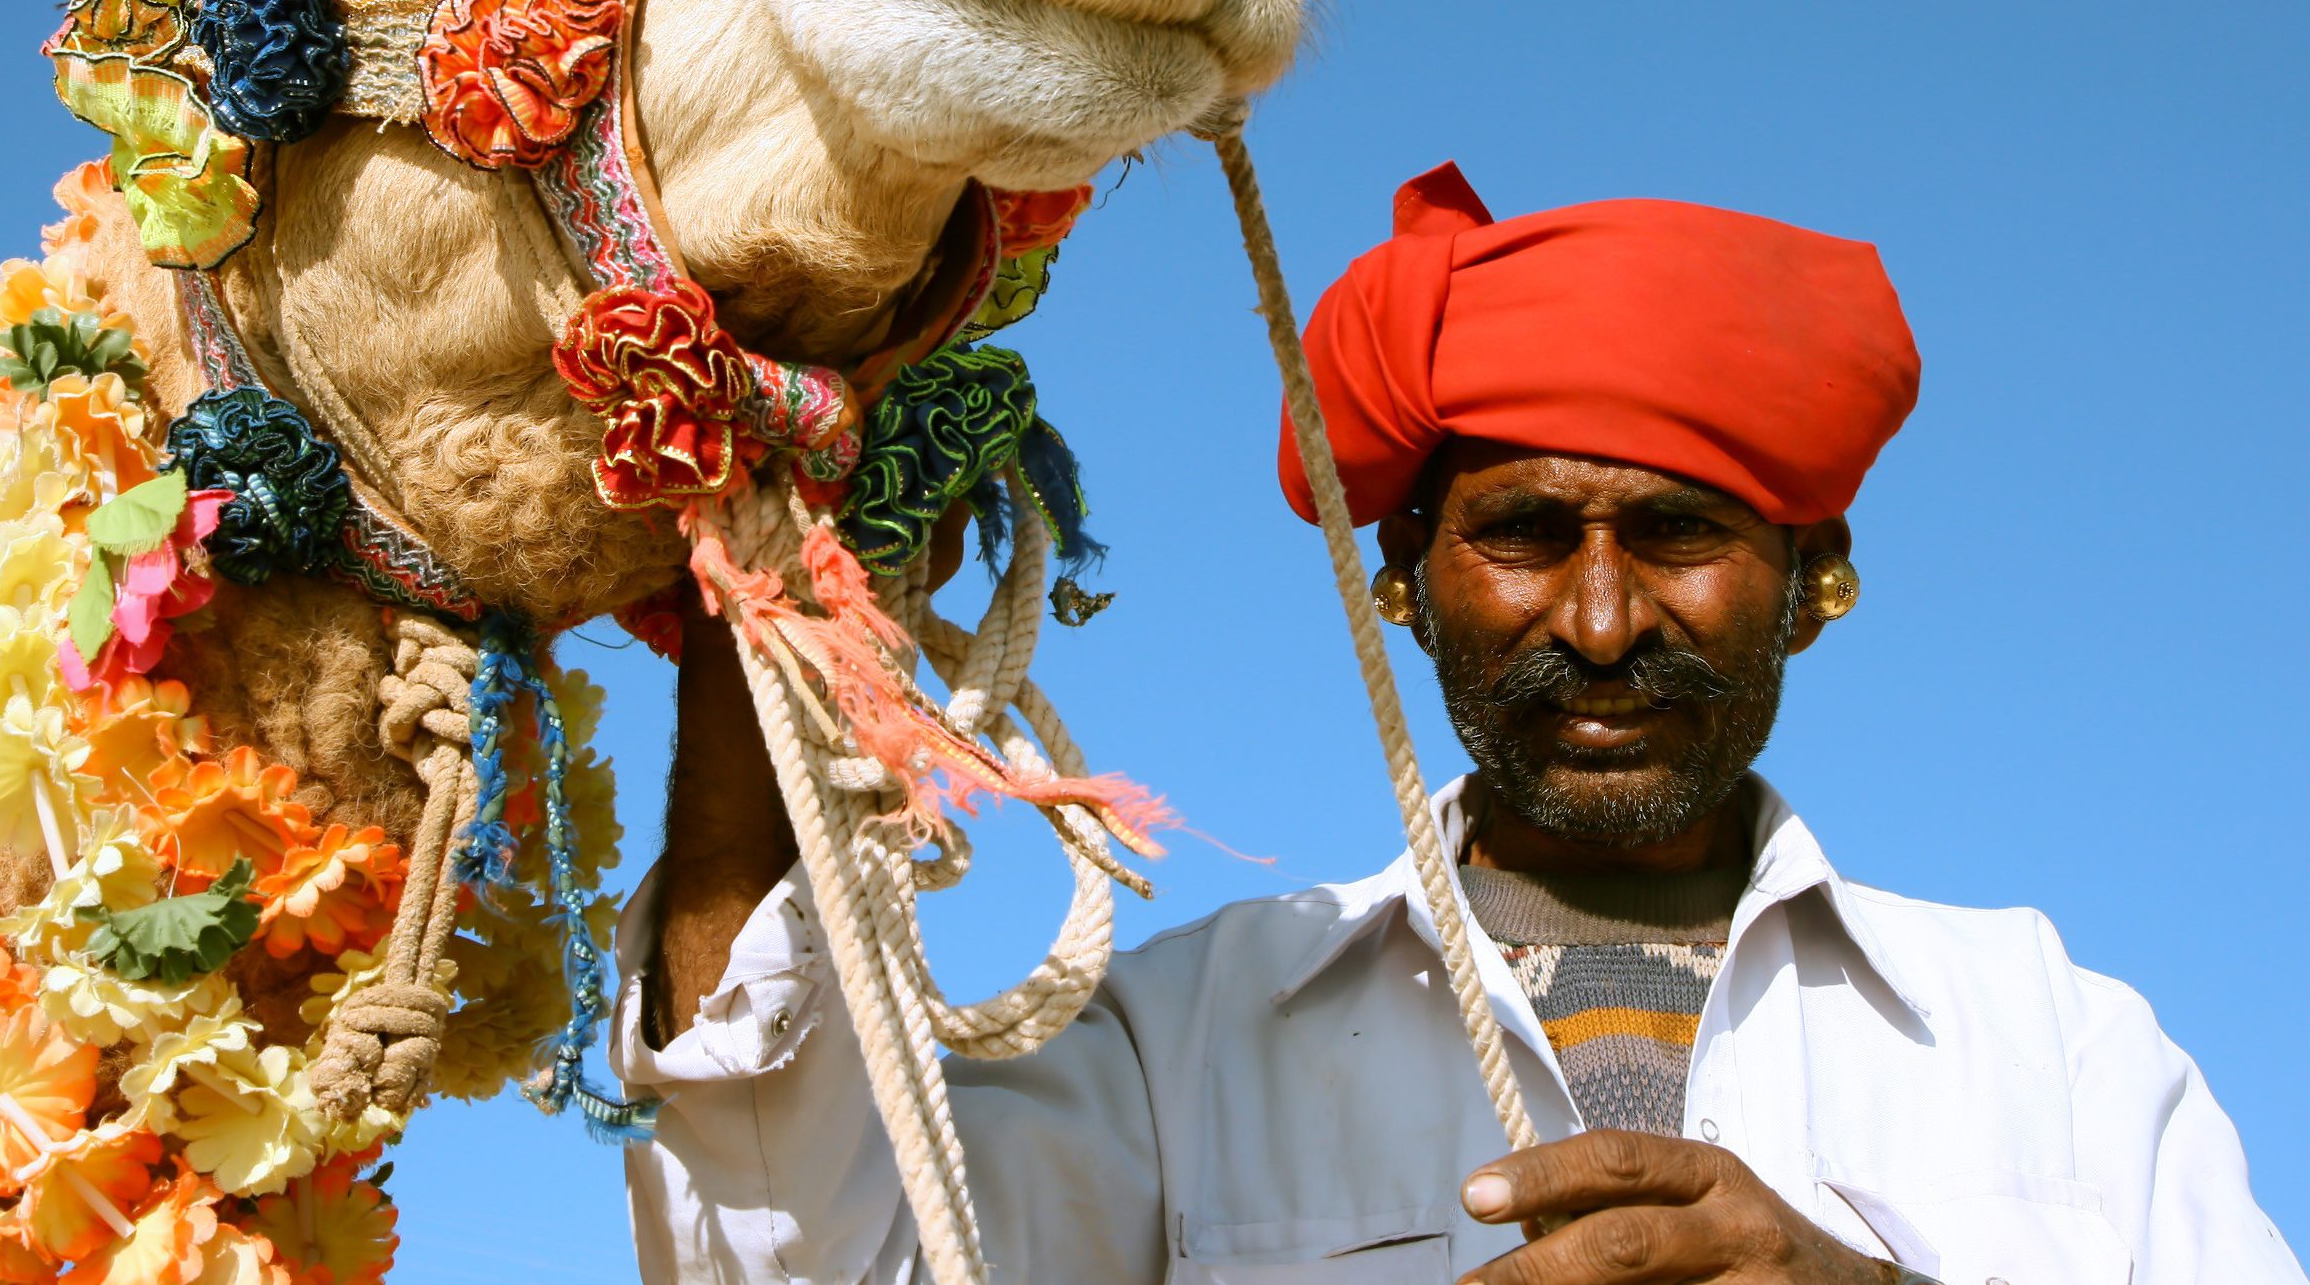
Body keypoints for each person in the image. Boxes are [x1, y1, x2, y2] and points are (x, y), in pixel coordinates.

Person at [612, 163, 2302, 1284]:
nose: (1597, 620)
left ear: (1818, 582)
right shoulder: (1180, 1042)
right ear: (1402, 587)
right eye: (1518, 535)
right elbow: (794, 1252)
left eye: (1678, 535)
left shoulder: (2058, 1048)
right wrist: (751, 602)